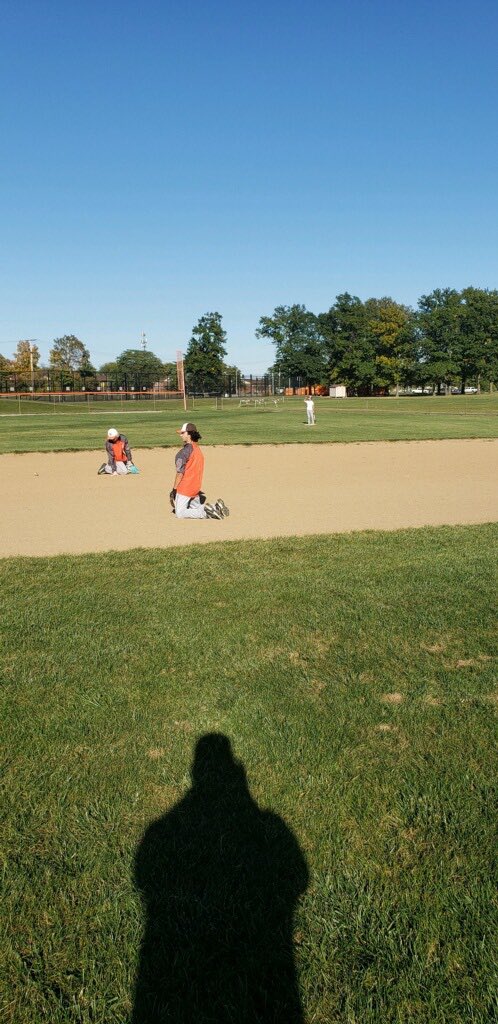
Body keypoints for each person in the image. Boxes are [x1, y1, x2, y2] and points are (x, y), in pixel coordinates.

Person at [170, 422, 229, 520]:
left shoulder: (183, 453)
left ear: (189, 434)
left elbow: (180, 473)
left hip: (185, 488)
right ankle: (215, 507)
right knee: (195, 508)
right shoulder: (198, 450)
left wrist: (174, 490)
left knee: (180, 513)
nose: (180, 435)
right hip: (196, 488)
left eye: (183, 433)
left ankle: (205, 512)